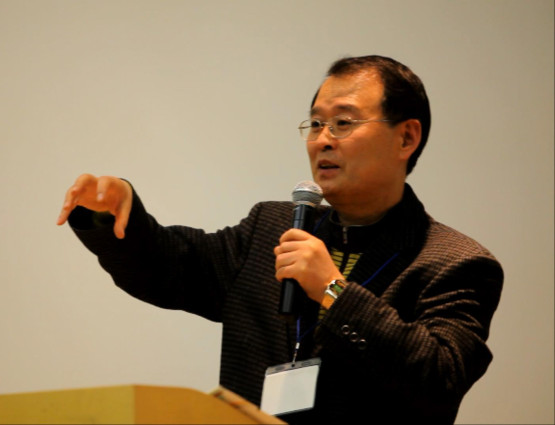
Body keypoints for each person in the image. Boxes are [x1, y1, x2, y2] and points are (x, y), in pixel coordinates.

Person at [56, 55, 503, 424]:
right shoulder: (272, 228)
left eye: (343, 122)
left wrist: (333, 290)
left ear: (406, 137)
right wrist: (111, 216)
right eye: (315, 123)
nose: (322, 140)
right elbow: (171, 267)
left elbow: (439, 380)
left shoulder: (455, 262)